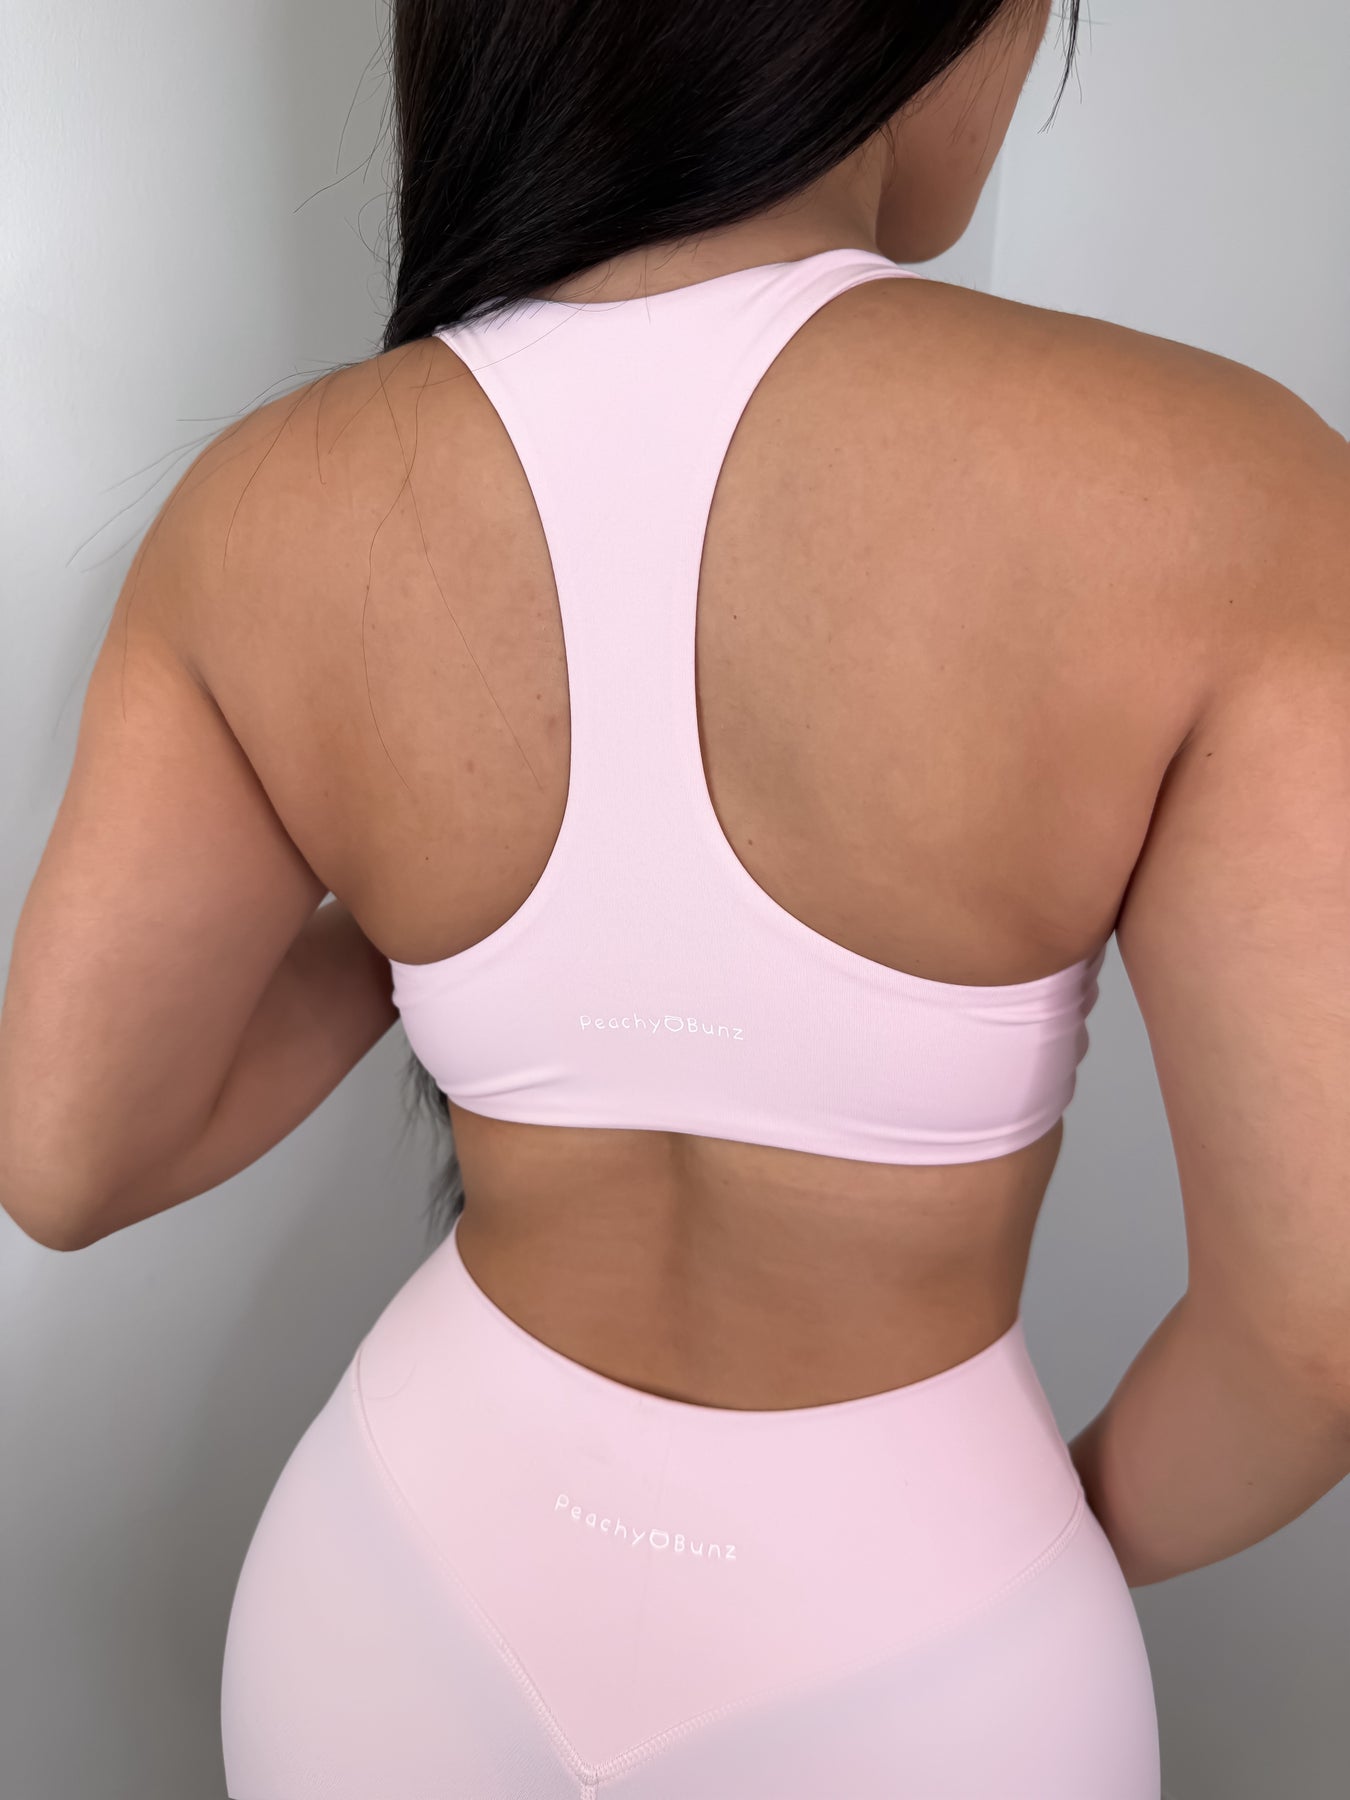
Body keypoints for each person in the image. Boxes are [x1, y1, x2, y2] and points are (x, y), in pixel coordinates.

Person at [2, 0, 1348, 1794]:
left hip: (391, 1589)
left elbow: (66, 1161)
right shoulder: (1220, 488)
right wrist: (1020, 1549)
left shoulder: (261, 510)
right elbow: (1314, 1338)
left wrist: (444, 916)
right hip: (923, 1647)